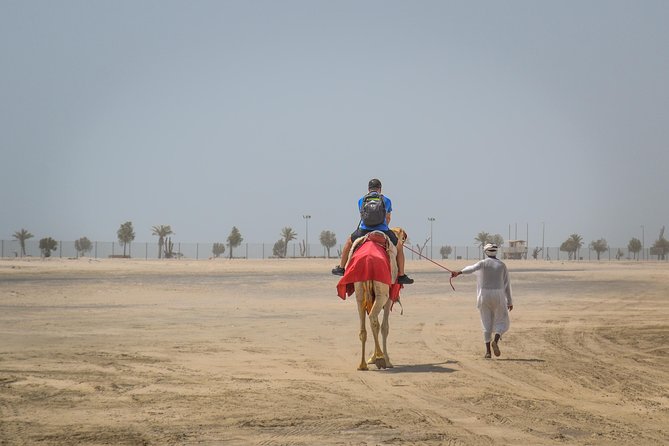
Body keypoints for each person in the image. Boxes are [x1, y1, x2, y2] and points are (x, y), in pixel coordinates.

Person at [331, 178, 413, 285]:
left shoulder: (361, 200)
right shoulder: (386, 200)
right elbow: (387, 218)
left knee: (348, 243)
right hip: (382, 229)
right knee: (399, 247)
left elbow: (363, 216)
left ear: (368, 189)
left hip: (364, 230)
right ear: (380, 189)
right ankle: (402, 275)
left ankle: (341, 268)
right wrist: (384, 227)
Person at [451, 243, 513, 358]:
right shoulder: (502, 265)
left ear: (485, 252)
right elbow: (507, 284)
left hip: (484, 295)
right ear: (496, 252)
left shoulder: (483, 263)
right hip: (498, 294)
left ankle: (488, 352)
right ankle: (496, 339)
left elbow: (471, 269)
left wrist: (458, 273)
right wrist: (509, 301)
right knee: (502, 320)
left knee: (486, 322)